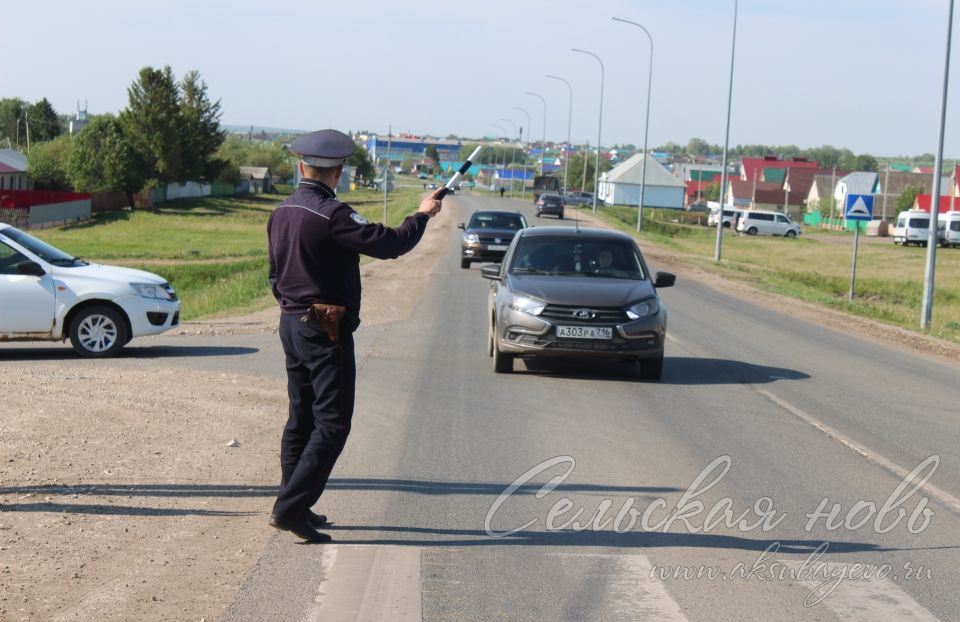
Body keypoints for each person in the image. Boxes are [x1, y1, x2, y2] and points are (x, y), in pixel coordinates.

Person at [267, 129, 443, 543]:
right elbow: (392, 244)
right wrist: (422, 214)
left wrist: (291, 306)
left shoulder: (282, 211)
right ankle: (289, 508)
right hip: (324, 328)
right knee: (333, 423)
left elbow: (275, 274)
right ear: (339, 172)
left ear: (300, 167)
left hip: (291, 323)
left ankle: (298, 505)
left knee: (301, 420)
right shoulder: (333, 215)